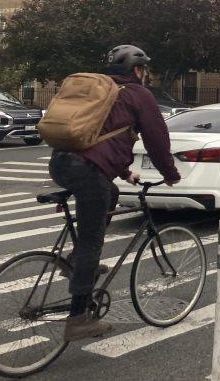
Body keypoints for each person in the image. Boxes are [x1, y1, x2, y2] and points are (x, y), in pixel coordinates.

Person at [48, 44, 181, 341]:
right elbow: (157, 139)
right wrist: (170, 174)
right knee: (92, 243)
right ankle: (78, 318)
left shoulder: (101, 89)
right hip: (87, 170)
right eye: (143, 70)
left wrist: (124, 172)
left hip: (61, 163)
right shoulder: (138, 94)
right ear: (137, 70)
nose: (145, 75)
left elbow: (96, 135)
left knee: (110, 192)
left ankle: (74, 261)